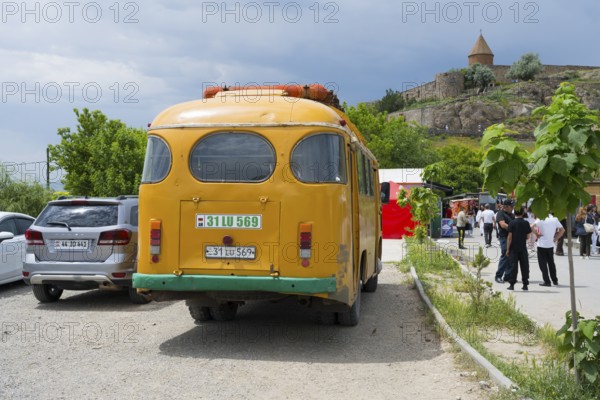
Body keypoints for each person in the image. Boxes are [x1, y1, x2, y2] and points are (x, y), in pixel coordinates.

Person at [533, 213, 565, 286]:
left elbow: (530, 227)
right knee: (551, 263)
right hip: (550, 244)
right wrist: (556, 238)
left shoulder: (540, 219)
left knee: (542, 264)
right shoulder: (555, 219)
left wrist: (537, 234)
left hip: (541, 244)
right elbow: (562, 230)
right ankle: (555, 280)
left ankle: (547, 281)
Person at [506, 207, 532, 291]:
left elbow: (509, 237)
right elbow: (528, 237)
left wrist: (507, 249)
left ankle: (512, 284)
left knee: (514, 266)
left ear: (514, 213)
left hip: (514, 248)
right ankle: (525, 284)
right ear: (522, 213)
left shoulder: (511, 223)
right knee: (524, 266)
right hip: (523, 248)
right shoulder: (526, 223)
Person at [494, 199, 515, 283]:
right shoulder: (500, 213)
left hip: (512, 237)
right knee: (505, 255)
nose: (513, 207)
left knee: (510, 257)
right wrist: (513, 228)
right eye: (511, 206)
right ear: (506, 206)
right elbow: (502, 225)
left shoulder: (512, 215)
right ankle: (498, 276)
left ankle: (507, 276)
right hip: (504, 238)